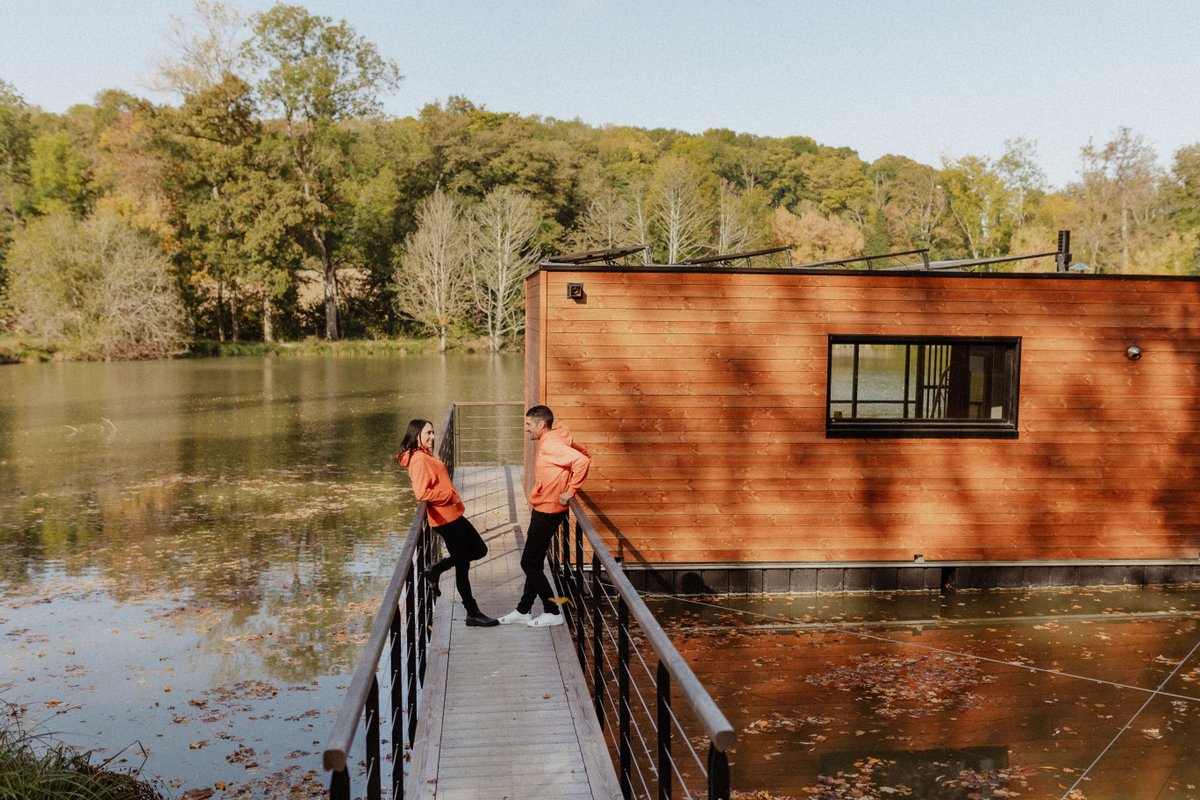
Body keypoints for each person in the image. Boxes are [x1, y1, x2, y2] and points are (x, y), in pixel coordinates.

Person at [396, 418, 499, 627]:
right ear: (416, 436)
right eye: (428, 434)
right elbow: (421, 492)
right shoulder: (419, 460)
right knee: (463, 564)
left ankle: (437, 568)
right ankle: (472, 613)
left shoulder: (424, 454)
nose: (432, 437)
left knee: (479, 549)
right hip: (445, 518)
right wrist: (449, 495)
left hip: (452, 514)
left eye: (433, 432)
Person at [498, 405, 591, 628]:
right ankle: (523, 609)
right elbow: (584, 453)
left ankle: (552, 611)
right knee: (535, 561)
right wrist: (565, 484)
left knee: (528, 562)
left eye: (529, 425)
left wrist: (570, 490)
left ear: (541, 424)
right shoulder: (556, 439)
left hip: (548, 511)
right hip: (544, 508)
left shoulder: (550, 444)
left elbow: (582, 461)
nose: (526, 429)